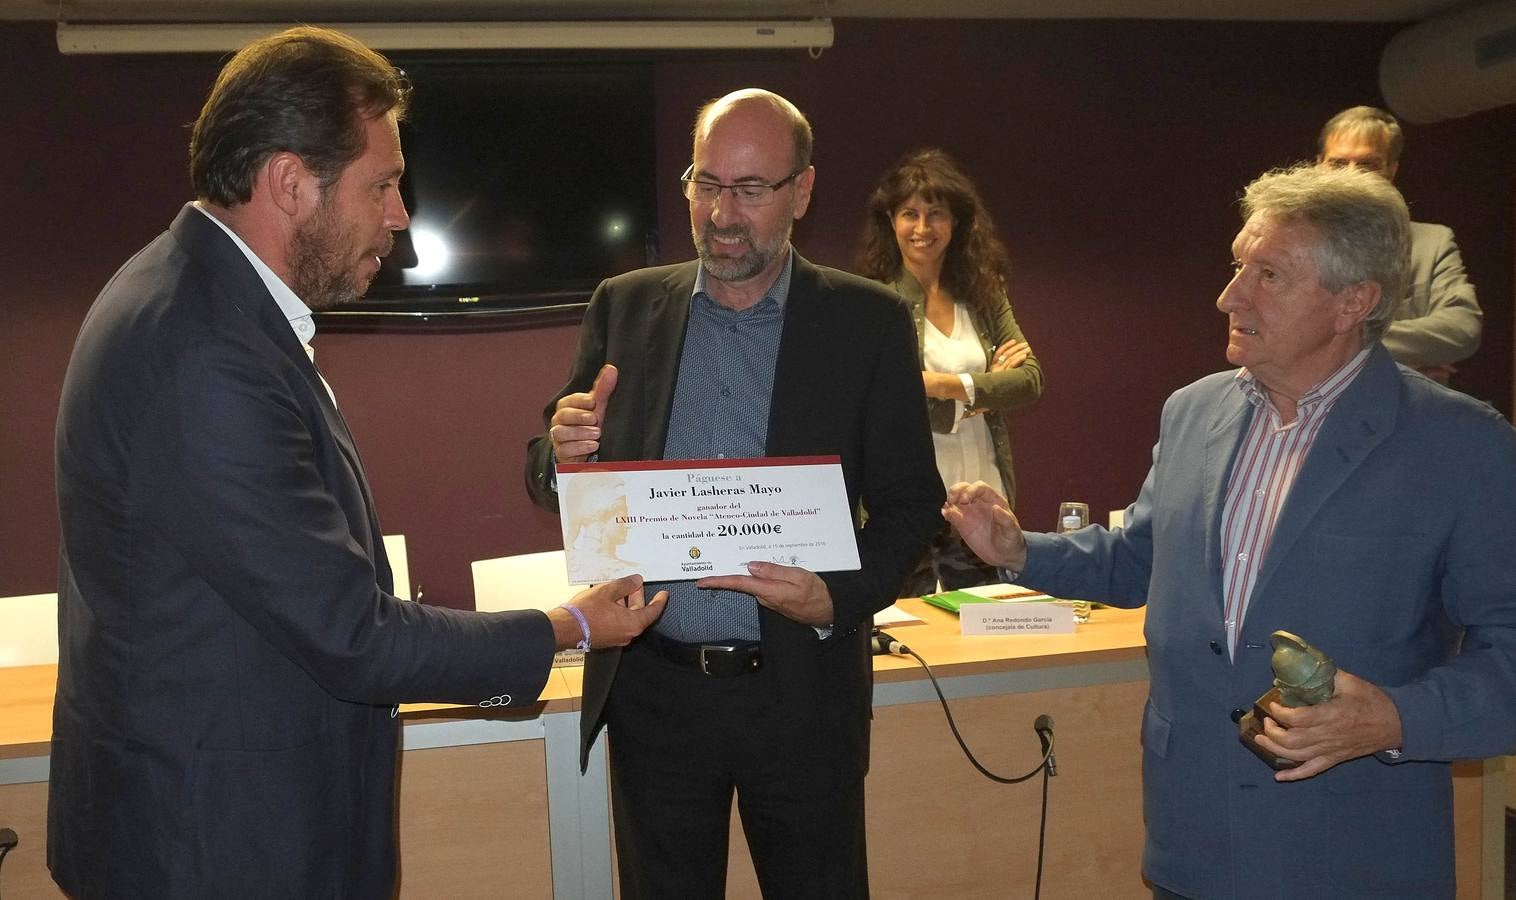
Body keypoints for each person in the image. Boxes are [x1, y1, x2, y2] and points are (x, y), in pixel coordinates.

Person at [49, 26, 664, 898]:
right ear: (291, 182)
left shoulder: (197, 298)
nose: (401, 214)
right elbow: (349, 633)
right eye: (383, 183)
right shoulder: (205, 348)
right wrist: (568, 628)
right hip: (216, 846)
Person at [944, 164, 1516, 899]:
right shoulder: (1192, 413)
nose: (1229, 295)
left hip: (1355, 854)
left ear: (1354, 303)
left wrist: (1394, 718)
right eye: (1238, 265)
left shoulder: (1458, 444)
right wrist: (1020, 550)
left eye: (1268, 274)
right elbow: (1140, 561)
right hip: (1193, 844)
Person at [524, 89, 942, 898]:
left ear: (803, 192)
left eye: (750, 190)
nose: (721, 212)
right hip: (656, 697)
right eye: (706, 183)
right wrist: (560, 453)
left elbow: (911, 505)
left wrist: (837, 600)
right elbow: (558, 472)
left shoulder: (869, 323)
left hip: (800, 696)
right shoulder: (627, 305)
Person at [855, 148, 1043, 595]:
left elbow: (1030, 382)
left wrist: (939, 384)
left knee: (981, 633)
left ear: (956, 222)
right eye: (909, 214)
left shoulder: (983, 293)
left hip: (982, 495)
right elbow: (882, 400)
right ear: (891, 222)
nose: (922, 229)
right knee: (908, 636)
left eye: (935, 214)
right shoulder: (874, 301)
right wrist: (979, 393)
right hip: (909, 501)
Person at [1316, 105, 1482, 384]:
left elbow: (1463, 329)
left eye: (1368, 164)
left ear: (1391, 170)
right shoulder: (1288, 243)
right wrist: (1409, 357)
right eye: (1338, 163)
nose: (1351, 176)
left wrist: (1333, 340)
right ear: (1318, 166)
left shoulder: (1432, 243)